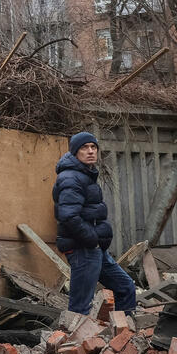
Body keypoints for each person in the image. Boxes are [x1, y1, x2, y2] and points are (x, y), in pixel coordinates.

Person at [53, 131, 136, 315]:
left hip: (94, 249)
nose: (90, 151)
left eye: (93, 147)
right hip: (83, 249)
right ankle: (74, 343)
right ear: (75, 152)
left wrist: (96, 243)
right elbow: (68, 216)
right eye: (84, 147)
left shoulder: (85, 175)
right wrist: (93, 239)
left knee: (125, 287)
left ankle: (125, 338)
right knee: (80, 309)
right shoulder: (70, 178)